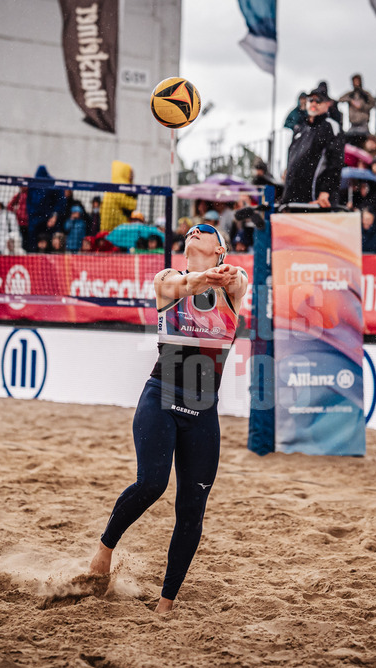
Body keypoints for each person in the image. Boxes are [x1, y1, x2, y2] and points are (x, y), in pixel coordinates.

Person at [88, 223, 248, 614]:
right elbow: (183, 286)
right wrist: (202, 276)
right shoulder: (167, 280)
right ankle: (105, 549)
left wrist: (231, 275)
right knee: (151, 484)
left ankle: (166, 604)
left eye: (206, 231)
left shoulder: (232, 286)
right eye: (192, 231)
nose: (195, 231)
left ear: (220, 250)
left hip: (203, 411)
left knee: (192, 509)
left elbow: (241, 281)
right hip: (160, 396)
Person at [282, 84, 344, 208]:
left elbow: (335, 163)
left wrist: (326, 191)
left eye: (318, 100)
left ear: (327, 104)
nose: (314, 103)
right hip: (293, 198)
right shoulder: (301, 129)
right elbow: (292, 157)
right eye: (311, 100)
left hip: (314, 199)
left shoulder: (331, 126)